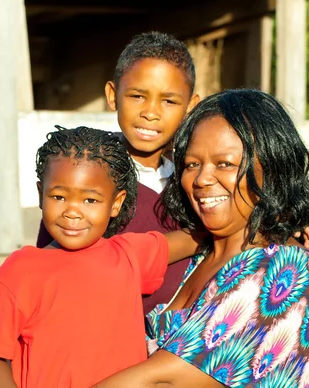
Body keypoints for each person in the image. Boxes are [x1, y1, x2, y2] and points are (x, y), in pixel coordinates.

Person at [94, 89, 309, 388]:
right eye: (192, 164)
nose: (201, 179)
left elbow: (162, 381)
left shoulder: (286, 269)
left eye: (224, 164)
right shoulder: (201, 254)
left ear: (271, 169)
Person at [0, 126, 205, 388]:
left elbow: (192, 239)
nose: (72, 212)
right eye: (59, 196)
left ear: (116, 204)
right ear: (41, 194)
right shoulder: (21, 270)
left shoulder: (129, 255)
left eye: (90, 201)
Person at [37, 32, 201, 315]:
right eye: (138, 96)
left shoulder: (194, 179)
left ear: (190, 106)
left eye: (169, 101)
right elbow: (54, 274)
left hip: (180, 342)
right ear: (113, 96)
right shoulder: (87, 175)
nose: (151, 113)